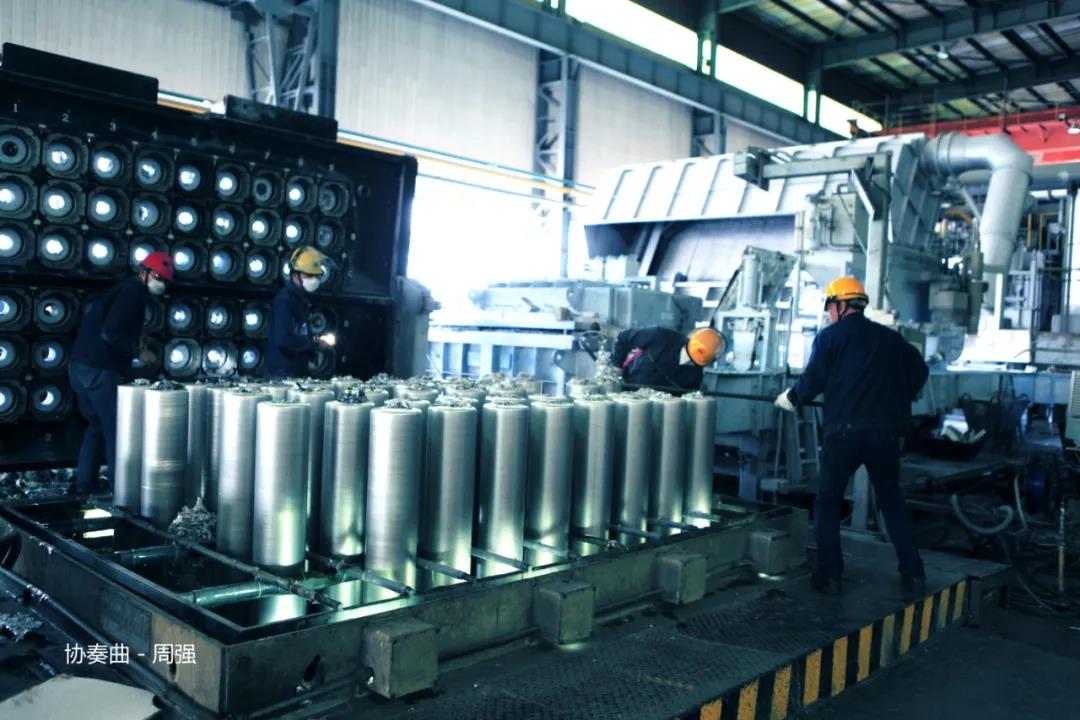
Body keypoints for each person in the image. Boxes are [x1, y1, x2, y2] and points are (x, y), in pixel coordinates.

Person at [775, 276, 929, 596]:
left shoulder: (830, 337)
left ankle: (829, 576)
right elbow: (920, 371)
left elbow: (814, 379)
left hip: (844, 434)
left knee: (828, 502)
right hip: (885, 435)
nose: (829, 313)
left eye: (830, 306)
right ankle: (913, 572)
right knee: (891, 500)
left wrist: (791, 398)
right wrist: (902, 395)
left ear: (842, 305)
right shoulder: (891, 339)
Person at [69, 251, 174, 494]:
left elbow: (113, 326)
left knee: (96, 427)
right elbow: (110, 333)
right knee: (117, 431)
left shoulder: (123, 290)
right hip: (99, 372)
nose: (161, 283)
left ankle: (85, 486)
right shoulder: (132, 292)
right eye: (158, 277)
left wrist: (137, 338)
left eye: (165, 280)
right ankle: (121, 492)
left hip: (79, 368)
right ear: (144, 272)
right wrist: (139, 353)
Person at [265, 246, 335, 379]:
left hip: (294, 371)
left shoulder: (300, 299)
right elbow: (284, 339)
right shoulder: (285, 300)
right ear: (295, 276)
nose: (314, 280)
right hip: (282, 373)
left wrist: (311, 349)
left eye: (316, 276)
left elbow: (300, 332)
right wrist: (315, 343)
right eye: (309, 275)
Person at [611, 326, 722, 393]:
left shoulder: (694, 377)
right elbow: (623, 337)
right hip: (629, 390)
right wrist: (617, 367)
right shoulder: (660, 336)